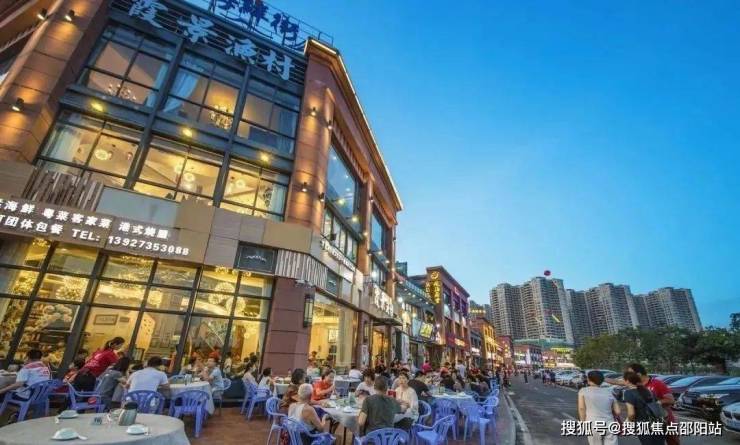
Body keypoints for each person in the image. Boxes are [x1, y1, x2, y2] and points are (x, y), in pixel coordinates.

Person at [578, 371, 621, 445]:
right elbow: (618, 411)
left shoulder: (583, 391)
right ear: (602, 380)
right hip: (609, 424)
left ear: (588, 379)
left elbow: (582, 408)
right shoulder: (609, 392)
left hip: (593, 424)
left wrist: (582, 423)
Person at [623, 371, 666, 445]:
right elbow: (657, 404)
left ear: (627, 381)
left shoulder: (628, 393)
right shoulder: (648, 390)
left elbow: (631, 413)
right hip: (658, 422)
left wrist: (628, 423)